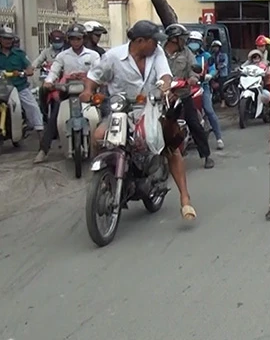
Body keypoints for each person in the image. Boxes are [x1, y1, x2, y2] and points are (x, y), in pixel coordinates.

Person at [83, 20, 197, 220]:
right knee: (98, 136)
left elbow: (165, 76)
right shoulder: (113, 57)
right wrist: (87, 90)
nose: (157, 45)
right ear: (140, 41)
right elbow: (94, 76)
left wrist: (165, 87)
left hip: (150, 108)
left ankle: (185, 199)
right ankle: (102, 180)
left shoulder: (157, 53)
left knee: (170, 146)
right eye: (154, 41)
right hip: (121, 110)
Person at [34, 23, 101, 163]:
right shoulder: (63, 55)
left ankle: (103, 148)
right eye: (72, 39)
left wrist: (90, 78)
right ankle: (43, 150)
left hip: (88, 91)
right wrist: (49, 81)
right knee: (54, 118)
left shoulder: (93, 55)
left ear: (83, 38)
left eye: (78, 38)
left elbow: (99, 71)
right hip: (67, 92)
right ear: (68, 40)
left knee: (104, 113)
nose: (75, 42)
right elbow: (54, 70)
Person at [162, 24, 215, 169]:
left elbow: (194, 68)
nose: (185, 41)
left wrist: (193, 78)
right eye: (182, 38)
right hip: (162, 97)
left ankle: (206, 155)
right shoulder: (159, 53)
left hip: (183, 94)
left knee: (194, 124)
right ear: (174, 39)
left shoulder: (186, 53)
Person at [0, 25, 44, 136]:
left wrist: (23, 72)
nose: (7, 41)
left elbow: (29, 68)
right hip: (2, 88)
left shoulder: (19, 54)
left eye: (10, 38)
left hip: (19, 87)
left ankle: (41, 136)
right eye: (5, 38)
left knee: (33, 107)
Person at [187, 31, 224, 150]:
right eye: (191, 41)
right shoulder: (184, 56)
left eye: (196, 42)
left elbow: (213, 69)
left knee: (209, 110)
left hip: (203, 86)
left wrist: (210, 75)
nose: (193, 44)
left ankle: (219, 138)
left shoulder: (206, 56)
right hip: (186, 88)